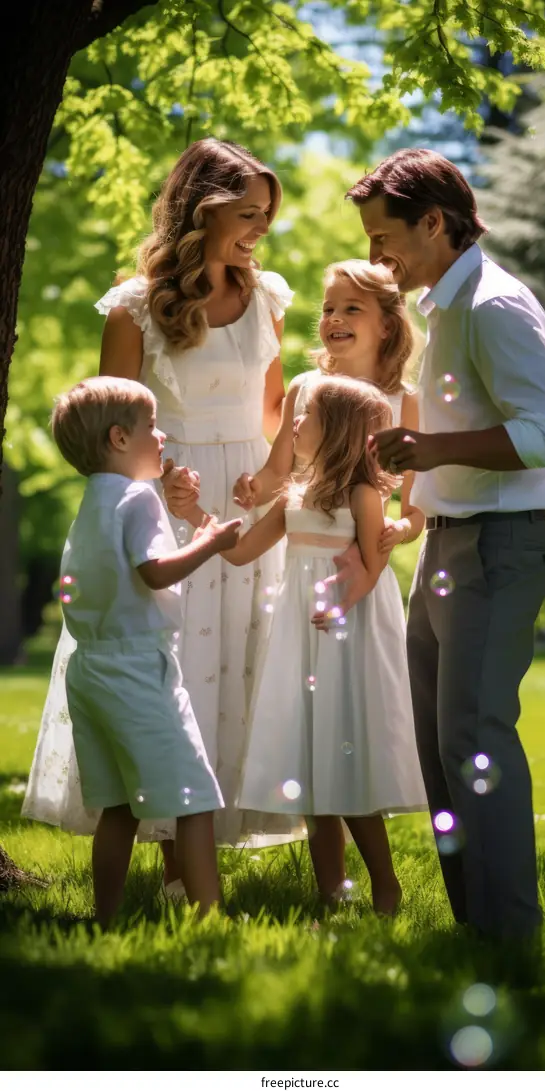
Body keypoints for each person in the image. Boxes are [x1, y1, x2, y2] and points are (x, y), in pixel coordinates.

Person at [23, 139, 302, 889]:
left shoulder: (268, 295)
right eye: (246, 213)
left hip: (247, 494)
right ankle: (175, 858)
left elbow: (273, 410)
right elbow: (114, 424)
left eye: (266, 215)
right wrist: (170, 484)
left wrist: (293, 471)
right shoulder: (136, 306)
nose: (259, 229)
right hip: (169, 497)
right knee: (177, 666)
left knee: (242, 662)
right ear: (200, 209)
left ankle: (212, 844)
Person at [339, 148, 545, 937]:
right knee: (444, 750)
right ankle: (476, 927)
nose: (377, 257)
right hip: (447, 545)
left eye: (383, 237)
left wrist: (433, 450)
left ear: (433, 222)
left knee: (475, 742)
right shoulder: (445, 303)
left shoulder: (495, 305)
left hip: (497, 546)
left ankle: (509, 936)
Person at [218, 376, 427, 914]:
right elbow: (239, 552)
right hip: (300, 634)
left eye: (305, 416)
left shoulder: (363, 495)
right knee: (311, 768)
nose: (294, 423)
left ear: (335, 431)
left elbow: (375, 566)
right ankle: (331, 893)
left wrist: (355, 575)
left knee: (343, 756)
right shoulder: (294, 496)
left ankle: (385, 887)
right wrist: (201, 520)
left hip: (346, 634)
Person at [49, 376, 242, 926]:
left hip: (90, 668)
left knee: (118, 806)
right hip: (138, 667)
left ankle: (106, 914)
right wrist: (210, 541)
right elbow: (154, 571)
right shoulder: (138, 497)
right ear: (118, 438)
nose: (163, 437)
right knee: (195, 797)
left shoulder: (92, 501)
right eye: (152, 428)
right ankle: (210, 920)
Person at [232, 259, 424, 557]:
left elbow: (415, 509)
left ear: (387, 325)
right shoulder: (304, 387)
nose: (334, 318)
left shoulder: (405, 402)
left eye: (352, 309)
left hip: (361, 564)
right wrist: (254, 489)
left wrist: (401, 529)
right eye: (328, 309)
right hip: (301, 553)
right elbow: (277, 472)